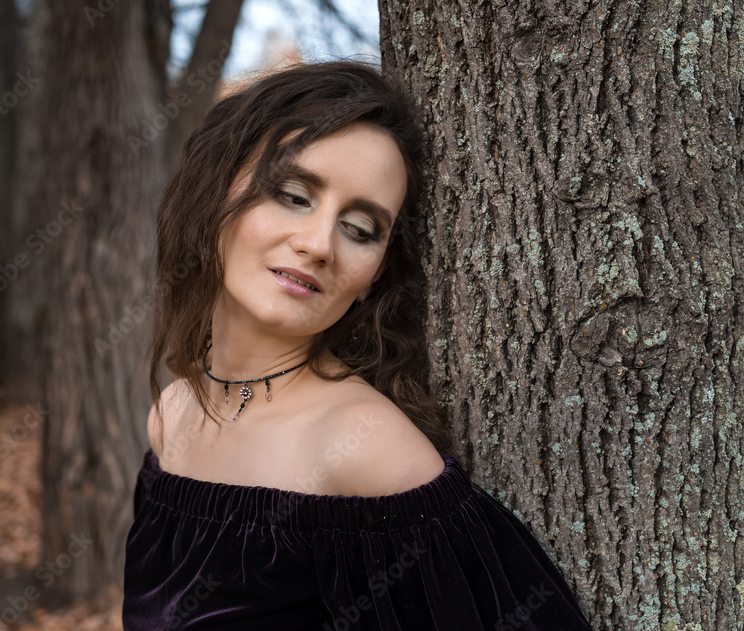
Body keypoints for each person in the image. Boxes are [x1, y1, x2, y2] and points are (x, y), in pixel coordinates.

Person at [122, 61, 592, 630]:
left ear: (374, 274)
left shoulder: (365, 450)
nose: (319, 244)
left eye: (361, 229)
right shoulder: (172, 415)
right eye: (294, 195)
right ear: (215, 191)